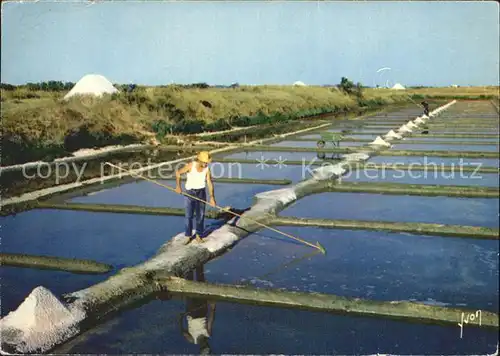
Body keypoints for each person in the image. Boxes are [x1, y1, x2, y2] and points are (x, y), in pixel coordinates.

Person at [175, 151, 216, 244]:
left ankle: (199, 236)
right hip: (190, 192)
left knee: (200, 216)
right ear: (200, 160)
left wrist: (212, 197)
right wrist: (178, 186)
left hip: (201, 193)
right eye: (204, 162)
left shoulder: (207, 169)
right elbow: (178, 173)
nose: (206, 164)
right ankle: (188, 236)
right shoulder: (191, 165)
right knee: (188, 216)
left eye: (207, 163)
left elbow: (209, 183)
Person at [178, 266, 216, 355]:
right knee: (200, 283)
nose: (205, 344)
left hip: (191, 312)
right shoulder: (208, 334)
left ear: (201, 347)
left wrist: (180, 319)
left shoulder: (192, 339)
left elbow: (183, 332)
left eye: (204, 346)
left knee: (189, 287)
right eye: (207, 345)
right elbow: (210, 320)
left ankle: (188, 266)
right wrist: (213, 308)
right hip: (202, 310)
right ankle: (199, 264)